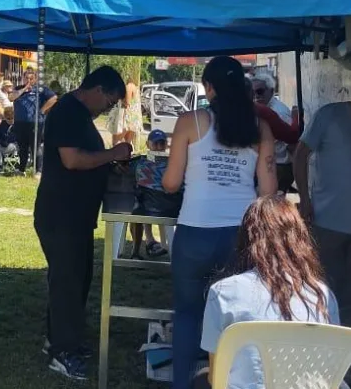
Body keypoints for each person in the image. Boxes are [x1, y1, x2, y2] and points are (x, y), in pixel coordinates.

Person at [161, 56, 278, 389]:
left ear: (208, 88)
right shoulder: (260, 127)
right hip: (241, 235)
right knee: (237, 317)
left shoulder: (190, 122)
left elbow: (170, 183)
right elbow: (268, 191)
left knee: (187, 313)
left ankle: (181, 384)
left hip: (194, 231)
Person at [34, 66, 130, 381]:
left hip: (76, 214)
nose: (109, 108)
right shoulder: (66, 112)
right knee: (67, 282)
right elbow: (72, 160)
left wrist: (109, 165)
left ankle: (62, 338)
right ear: (99, 89)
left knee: (77, 279)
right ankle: (63, 351)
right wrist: (113, 153)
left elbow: (86, 158)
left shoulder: (79, 114)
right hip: (60, 213)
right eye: (111, 101)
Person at [195, 194, 340, 389]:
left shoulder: (224, 292)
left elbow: (216, 377)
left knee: (200, 378)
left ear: (246, 239)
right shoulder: (323, 295)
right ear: (300, 238)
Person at [293, 56, 351, 333]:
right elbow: (300, 155)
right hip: (327, 222)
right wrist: (305, 200)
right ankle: (321, 340)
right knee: (324, 288)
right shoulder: (330, 115)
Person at [129, 129, 178, 259]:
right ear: (148, 144)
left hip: (159, 207)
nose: (158, 147)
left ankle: (144, 245)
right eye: (155, 143)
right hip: (165, 207)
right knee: (139, 202)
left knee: (136, 205)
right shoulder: (174, 163)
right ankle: (147, 243)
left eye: (161, 143)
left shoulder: (140, 162)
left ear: (166, 145)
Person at [252, 73, 297, 192]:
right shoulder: (262, 110)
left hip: (279, 166)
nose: (256, 96)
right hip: (268, 165)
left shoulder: (279, 112)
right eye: (253, 92)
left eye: (260, 91)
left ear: (271, 91)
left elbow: (292, 145)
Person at [9, 68, 58, 174]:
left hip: (35, 123)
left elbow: (54, 98)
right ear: (23, 78)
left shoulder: (41, 89)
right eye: (26, 78)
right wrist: (24, 89)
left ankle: (38, 170)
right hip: (20, 123)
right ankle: (21, 169)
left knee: (35, 146)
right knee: (22, 147)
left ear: (35, 79)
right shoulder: (18, 89)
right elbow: (11, 98)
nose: (29, 80)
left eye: (31, 78)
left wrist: (42, 110)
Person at [108, 82, 144, 147]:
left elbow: (126, 103)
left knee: (116, 143)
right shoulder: (135, 86)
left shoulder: (129, 86)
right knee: (127, 144)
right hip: (132, 119)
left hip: (126, 119)